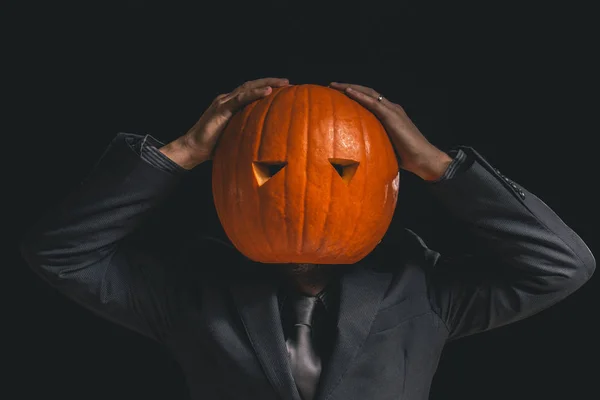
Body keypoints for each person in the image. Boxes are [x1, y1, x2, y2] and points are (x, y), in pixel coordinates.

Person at [20, 77, 595, 400]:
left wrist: (437, 166)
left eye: (343, 171)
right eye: (268, 171)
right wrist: (182, 154)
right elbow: (60, 254)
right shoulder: (189, 293)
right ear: (228, 183)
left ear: (383, 186)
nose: (300, 195)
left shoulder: (422, 291)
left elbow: (562, 265)